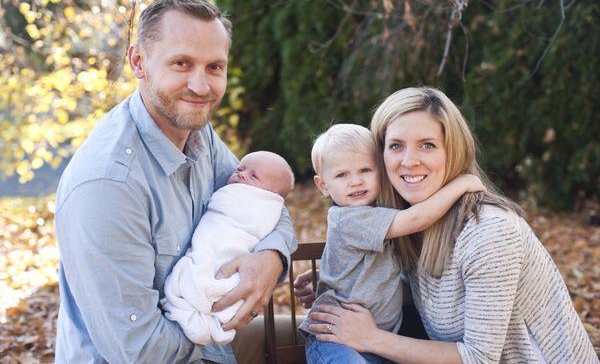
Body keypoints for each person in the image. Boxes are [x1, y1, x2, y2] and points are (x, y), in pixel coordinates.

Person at [54, 0, 297, 364]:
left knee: (327, 334)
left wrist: (271, 259)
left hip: (208, 336)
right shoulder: (107, 186)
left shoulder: (197, 132)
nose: (200, 87)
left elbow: (268, 203)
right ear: (139, 61)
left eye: (215, 67)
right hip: (163, 355)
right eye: (182, 64)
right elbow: (143, 350)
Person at [300, 87, 598, 363]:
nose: (409, 161)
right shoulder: (410, 223)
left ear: (453, 151)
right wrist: (349, 286)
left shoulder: (490, 232)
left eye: (427, 145)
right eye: (396, 146)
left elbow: (479, 358)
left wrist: (372, 338)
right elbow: (424, 296)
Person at [299, 123, 486, 363]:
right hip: (334, 337)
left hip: (378, 336)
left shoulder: (378, 212)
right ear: (322, 185)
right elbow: (416, 219)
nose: (355, 181)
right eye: (342, 175)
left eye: (365, 170)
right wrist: (463, 183)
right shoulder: (349, 219)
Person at [162, 151, 294, 345]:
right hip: (166, 339)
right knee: (197, 271)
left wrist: (272, 256)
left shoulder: (264, 205)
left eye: (253, 176)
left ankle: (201, 311)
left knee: (217, 284)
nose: (241, 174)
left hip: (233, 268)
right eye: (239, 169)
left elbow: (280, 213)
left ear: (270, 195)